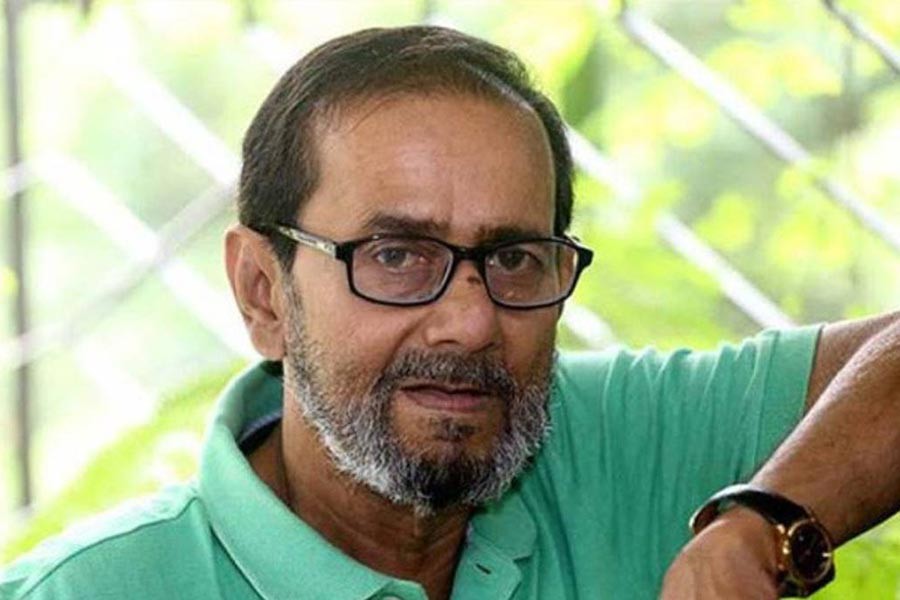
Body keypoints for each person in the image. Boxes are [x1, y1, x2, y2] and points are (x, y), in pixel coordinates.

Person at [2, 25, 899, 600]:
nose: (469, 324)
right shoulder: (89, 591)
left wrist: (765, 521)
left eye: (513, 257)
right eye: (396, 256)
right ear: (263, 292)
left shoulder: (610, 442)